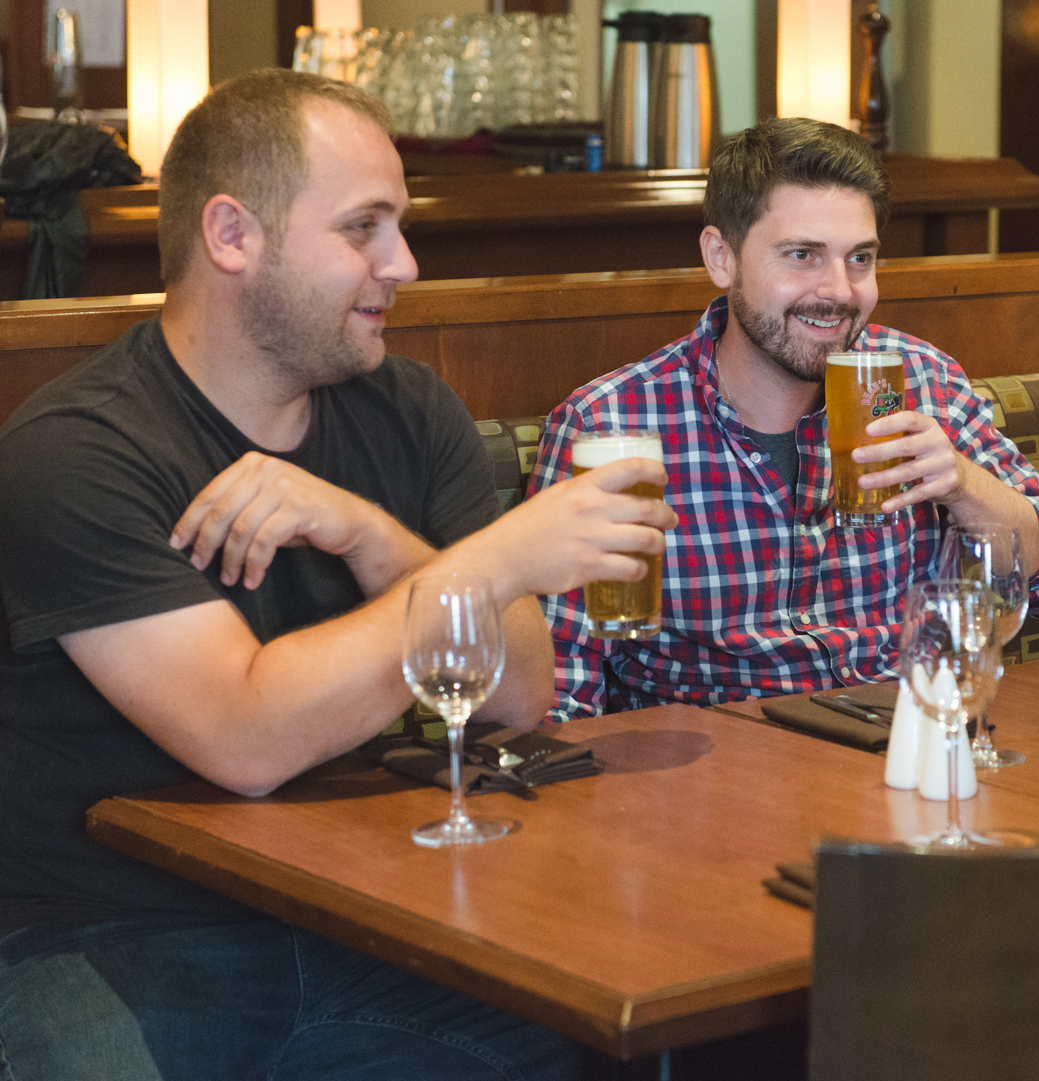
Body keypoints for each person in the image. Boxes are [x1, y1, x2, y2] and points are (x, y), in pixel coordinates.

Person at [0, 70, 674, 1079]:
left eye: (398, 226)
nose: (402, 262)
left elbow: (518, 695)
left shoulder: (408, 407)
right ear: (232, 236)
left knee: (587, 1048)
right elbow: (245, 736)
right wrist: (498, 556)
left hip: (361, 917)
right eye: (364, 227)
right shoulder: (78, 449)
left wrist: (366, 533)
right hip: (105, 932)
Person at [531, 117, 1039, 720]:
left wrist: (960, 482)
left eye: (860, 259)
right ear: (722, 258)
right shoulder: (610, 424)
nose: (840, 291)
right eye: (803, 255)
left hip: (903, 749)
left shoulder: (922, 381)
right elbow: (561, 693)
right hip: (712, 779)